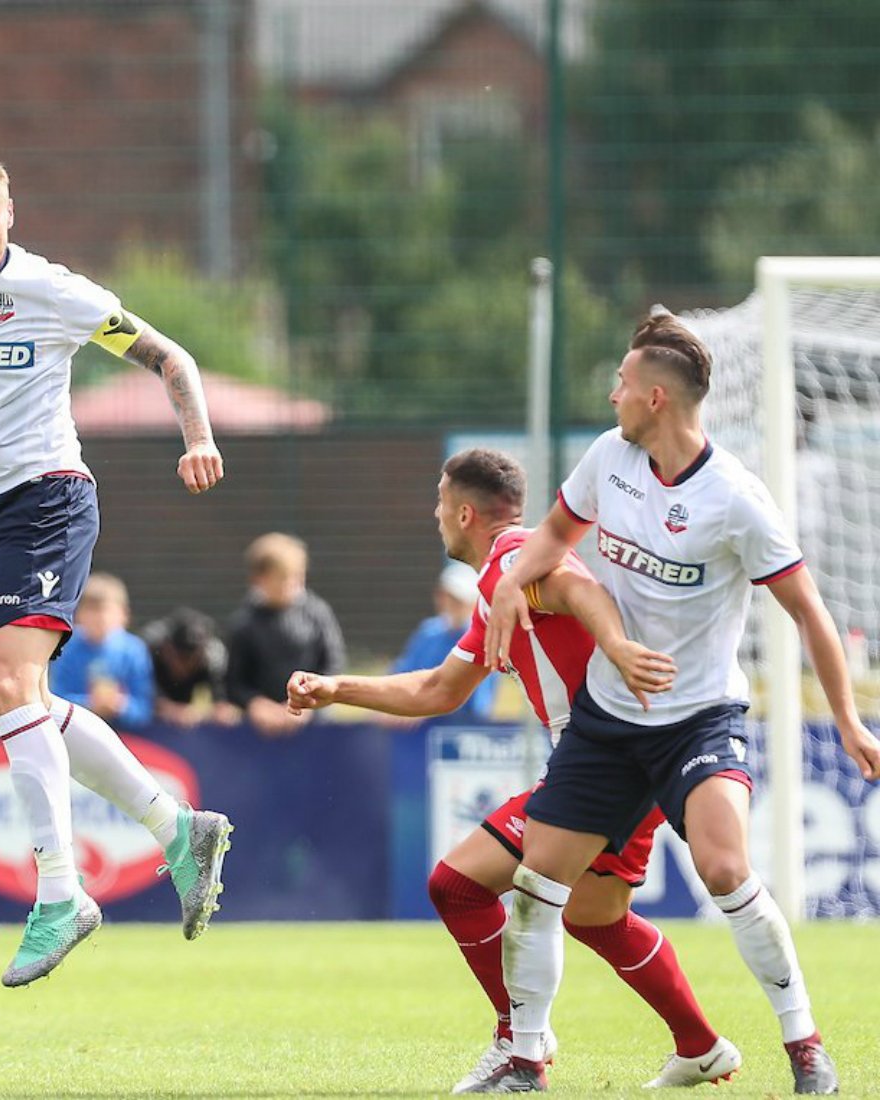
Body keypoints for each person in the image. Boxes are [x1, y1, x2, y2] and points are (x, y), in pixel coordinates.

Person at [476, 310, 880, 1094]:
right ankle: (526, 1061)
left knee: (726, 868)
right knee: (536, 888)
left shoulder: (737, 499)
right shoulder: (609, 458)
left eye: (622, 383)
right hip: (607, 722)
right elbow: (553, 538)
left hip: (698, 721)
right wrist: (504, 593)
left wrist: (849, 717)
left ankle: (805, 1048)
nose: (611, 392)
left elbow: (811, 615)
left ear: (656, 398)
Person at [0, 150, 234, 987]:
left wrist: (199, 437)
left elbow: (169, 357)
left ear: (11, 214)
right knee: (27, 701)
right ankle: (176, 828)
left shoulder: (52, 291)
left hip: (47, 495)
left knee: (6, 685)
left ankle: (60, 894)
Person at [287, 449, 737, 1092]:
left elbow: (579, 586)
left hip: (604, 760)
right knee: (596, 916)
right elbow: (439, 691)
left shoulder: (512, 556)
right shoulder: (504, 579)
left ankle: (518, 1040)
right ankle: (700, 1045)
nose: (434, 514)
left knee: (459, 886)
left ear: (464, 512)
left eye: (440, 503)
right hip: (619, 756)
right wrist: (337, 688)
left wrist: (615, 646)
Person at [225, 532, 345, 737]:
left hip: (314, 725)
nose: (291, 584)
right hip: (260, 731)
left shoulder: (317, 613)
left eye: (297, 576)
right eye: (282, 577)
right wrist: (256, 705)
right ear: (259, 579)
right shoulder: (244, 622)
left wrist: (307, 705)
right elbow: (234, 681)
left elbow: (333, 664)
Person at [384, 562, 497, 725]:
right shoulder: (428, 632)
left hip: (458, 734)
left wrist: (420, 711)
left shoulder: (484, 639)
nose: (449, 604)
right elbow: (400, 674)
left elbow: (477, 707)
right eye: (446, 597)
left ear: (474, 602)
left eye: (457, 600)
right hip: (411, 730)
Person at [48, 574, 154, 728]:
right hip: (75, 732)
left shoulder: (134, 650)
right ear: (78, 615)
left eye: (106, 610)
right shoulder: (65, 646)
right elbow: (55, 699)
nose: (101, 618)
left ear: (124, 615)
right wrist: (90, 704)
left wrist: (120, 705)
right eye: (93, 611)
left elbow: (144, 709)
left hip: (125, 737)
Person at [141, 606, 236, 727]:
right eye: (181, 657)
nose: (186, 665)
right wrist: (168, 708)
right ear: (168, 650)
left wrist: (205, 713)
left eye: (193, 658)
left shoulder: (212, 658)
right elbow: (138, 693)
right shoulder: (150, 652)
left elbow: (222, 705)